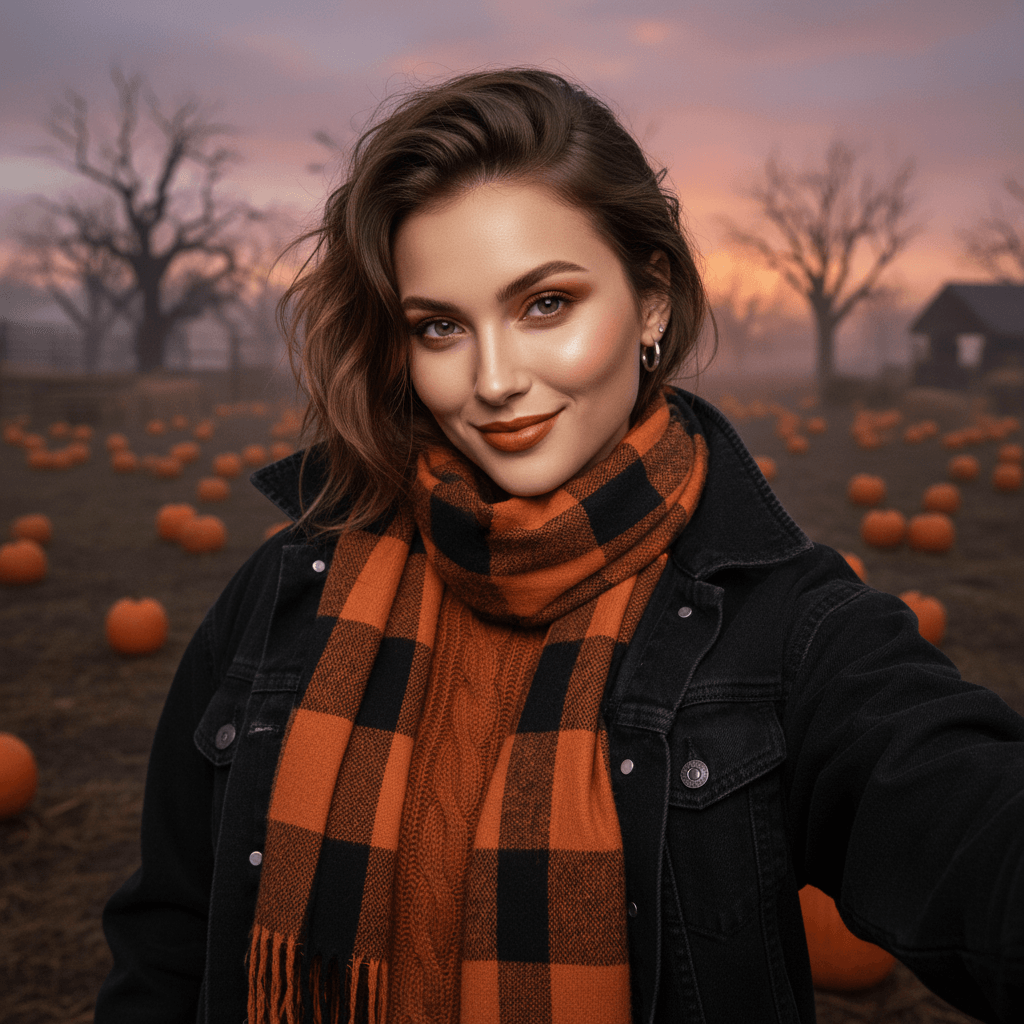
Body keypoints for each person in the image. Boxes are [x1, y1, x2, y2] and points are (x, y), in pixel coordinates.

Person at [95, 68, 1024, 1024]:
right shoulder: (284, 595)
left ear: (651, 301)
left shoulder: (786, 630)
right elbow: (169, 943)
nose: (494, 381)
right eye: (442, 326)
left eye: (545, 305)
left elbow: (967, 824)